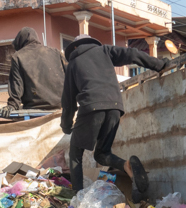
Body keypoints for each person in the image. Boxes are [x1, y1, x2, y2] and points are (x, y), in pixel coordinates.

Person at [60, 34, 170, 194]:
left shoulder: (73, 63)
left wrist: (66, 125)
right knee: (101, 153)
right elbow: (132, 54)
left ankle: (77, 198)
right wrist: (159, 64)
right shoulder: (104, 51)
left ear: (75, 48)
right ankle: (126, 165)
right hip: (116, 107)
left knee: (76, 153)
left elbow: (68, 101)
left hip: (91, 106)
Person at [4, 27, 66, 115]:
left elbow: (17, 86)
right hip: (61, 107)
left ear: (20, 41)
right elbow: (70, 77)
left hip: (35, 109)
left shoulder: (18, 57)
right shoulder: (56, 52)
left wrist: (12, 105)